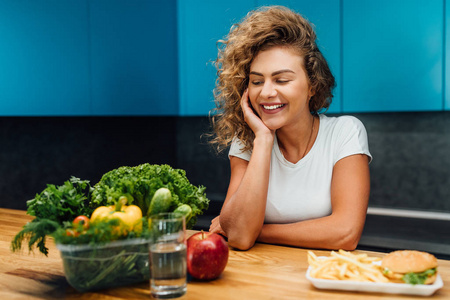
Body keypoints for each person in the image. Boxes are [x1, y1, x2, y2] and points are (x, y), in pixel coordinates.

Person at [208, 6, 371, 251]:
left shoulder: (345, 132)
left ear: (313, 85)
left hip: (321, 280)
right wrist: (263, 139)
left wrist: (258, 231)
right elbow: (240, 237)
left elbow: (345, 233)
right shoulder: (246, 139)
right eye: (256, 81)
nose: (266, 92)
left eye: (282, 80)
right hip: (262, 279)